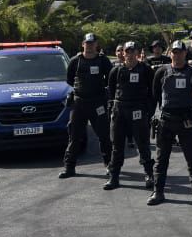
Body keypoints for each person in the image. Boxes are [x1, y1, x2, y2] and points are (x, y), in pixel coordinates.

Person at [148, 40, 192, 206]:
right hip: (166, 120)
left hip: (186, 120)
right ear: (170, 53)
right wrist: (153, 115)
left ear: (185, 53)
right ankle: (158, 192)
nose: (177, 55)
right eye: (174, 52)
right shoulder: (161, 71)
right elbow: (155, 94)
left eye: (180, 52)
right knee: (161, 159)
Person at [58, 33, 112, 179]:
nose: (89, 46)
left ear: (96, 44)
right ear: (83, 44)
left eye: (92, 43)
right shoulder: (75, 61)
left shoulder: (103, 61)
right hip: (79, 103)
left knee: (104, 135)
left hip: (98, 103)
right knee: (74, 136)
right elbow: (69, 80)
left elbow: (111, 79)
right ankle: (69, 167)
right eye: (87, 43)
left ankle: (110, 165)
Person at [104, 41, 154, 190]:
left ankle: (149, 175)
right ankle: (114, 177)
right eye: (127, 51)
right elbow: (111, 91)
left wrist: (148, 111)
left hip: (138, 110)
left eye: (133, 51)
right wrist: (112, 109)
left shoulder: (145, 69)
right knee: (117, 146)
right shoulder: (116, 70)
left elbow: (152, 92)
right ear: (123, 53)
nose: (130, 54)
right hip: (120, 111)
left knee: (143, 144)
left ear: (137, 53)